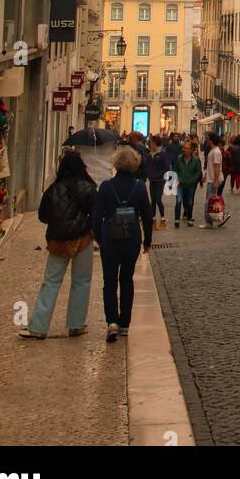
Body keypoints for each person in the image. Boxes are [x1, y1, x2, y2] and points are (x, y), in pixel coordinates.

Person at [19, 150, 96, 339]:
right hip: (82, 239)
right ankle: (76, 324)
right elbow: (95, 215)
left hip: (57, 241)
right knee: (81, 282)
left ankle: (38, 327)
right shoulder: (88, 187)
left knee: (51, 282)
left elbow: (43, 216)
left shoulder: (52, 189)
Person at [92, 145, 153, 342]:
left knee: (109, 282)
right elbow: (147, 215)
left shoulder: (106, 187)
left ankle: (112, 322)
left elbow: (96, 216)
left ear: (115, 164)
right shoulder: (139, 187)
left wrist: (99, 238)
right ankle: (125, 324)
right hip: (132, 239)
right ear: (135, 164)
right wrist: (147, 241)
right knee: (127, 280)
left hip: (110, 239)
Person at [175, 137, 202, 226]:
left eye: (187, 148)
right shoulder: (179, 159)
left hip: (191, 184)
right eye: (184, 148)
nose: (184, 150)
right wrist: (178, 178)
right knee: (178, 200)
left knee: (190, 201)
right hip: (180, 183)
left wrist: (192, 180)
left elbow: (198, 173)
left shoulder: (196, 160)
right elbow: (176, 170)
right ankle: (177, 219)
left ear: (191, 150)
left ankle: (190, 218)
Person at [202, 133, 228, 227]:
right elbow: (211, 166)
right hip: (211, 178)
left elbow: (217, 167)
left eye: (207, 139)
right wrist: (206, 175)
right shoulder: (213, 150)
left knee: (209, 201)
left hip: (214, 179)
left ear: (211, 140)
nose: (206, 140)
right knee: (213, 201)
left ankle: (211, 221)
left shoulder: (216, 152)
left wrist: (215, 181)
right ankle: (219, 218)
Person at [147, 134, 169, 230]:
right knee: (153, 200)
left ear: (155, 143)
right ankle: (153, 219)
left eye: (151, 142)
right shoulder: (149, 154)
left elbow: (166, 167)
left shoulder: (163, 154)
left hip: (160, 180)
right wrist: (148, 174)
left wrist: (159, 175)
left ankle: (163, 219)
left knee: (158, 199)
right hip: (152, 180)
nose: (150, 144)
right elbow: (147, 166)